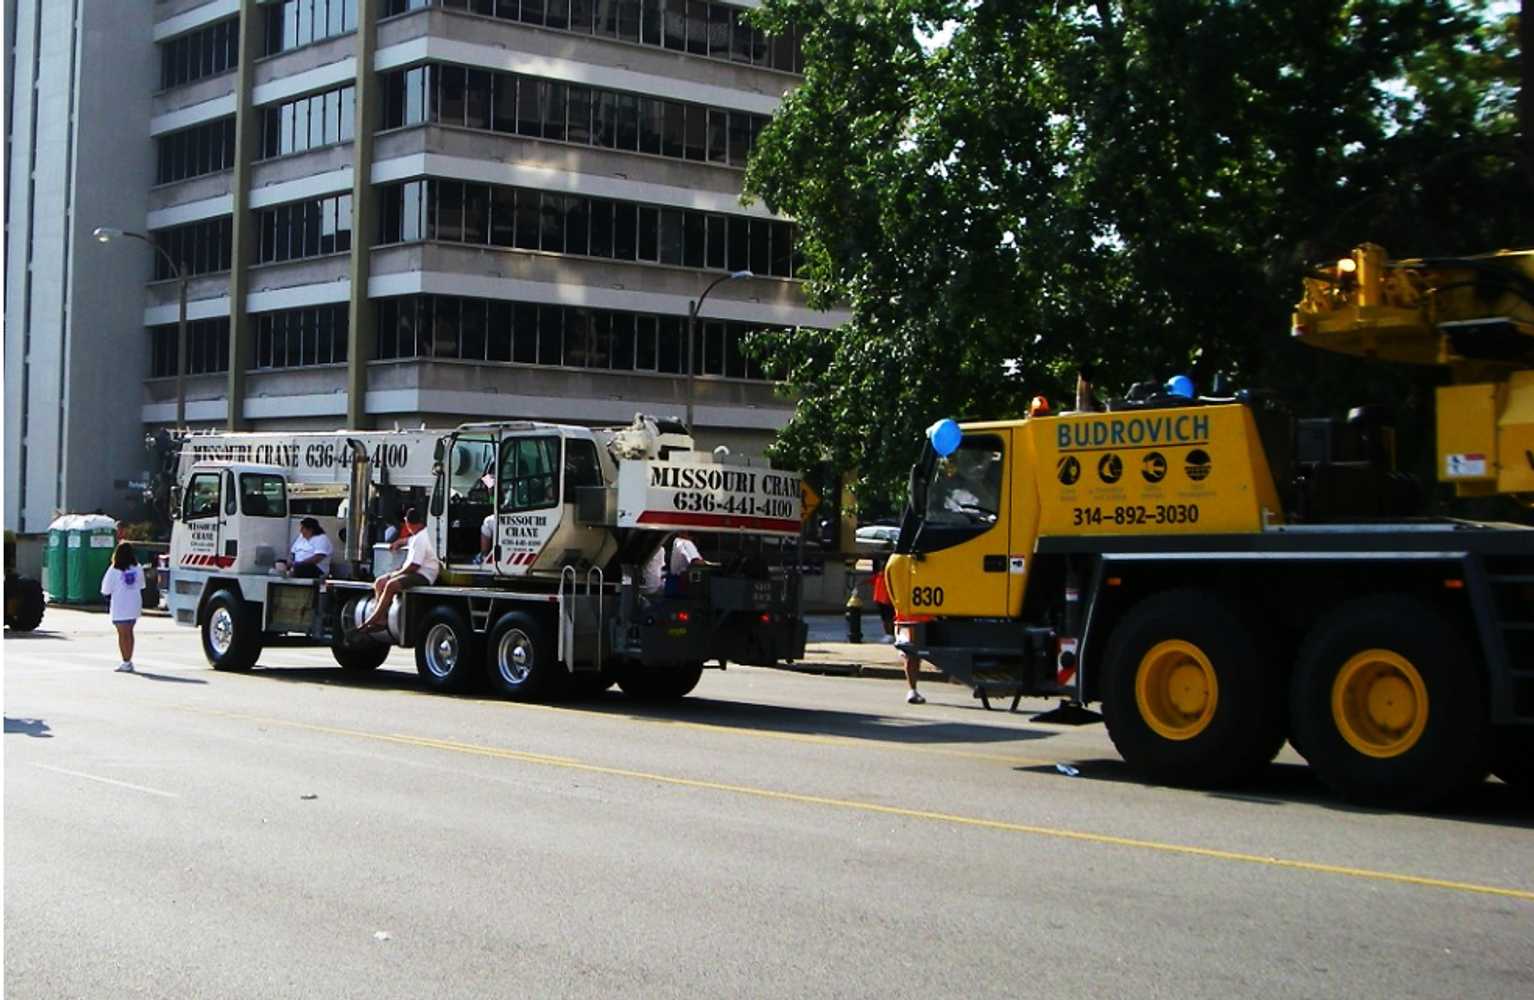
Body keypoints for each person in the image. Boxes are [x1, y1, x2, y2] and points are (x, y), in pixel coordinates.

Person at [360, 508, 438, 632]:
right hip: (416, 572)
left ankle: (373, 618)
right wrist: (399, 542)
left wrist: (395, 574)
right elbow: (408, 541)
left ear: (407, 523)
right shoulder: (419, 535)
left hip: (423, 575)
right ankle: (381, 619)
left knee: (391, 584)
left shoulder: (421, 538)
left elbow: (414, 566)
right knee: (380, 582)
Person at [100, 542, 146, 673]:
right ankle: (128, 659)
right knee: (130, 633)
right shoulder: (138, 568)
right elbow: (142, 585)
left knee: (122, 635)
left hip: (120, 605)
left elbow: (106, 589)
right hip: (134, 604)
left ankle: (126, 661)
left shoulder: (114, 569)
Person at [641, 530, 706, 595]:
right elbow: (697, 562)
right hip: (678, 586)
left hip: (668, 585)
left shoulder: (662, 549)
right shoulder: (683, 542)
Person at [870, 555, 895, 642]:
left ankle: (890, 634)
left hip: (885, 600)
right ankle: (889, 634)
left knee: (888, 618)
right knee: (886, 618)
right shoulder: (880, 575)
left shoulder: (885, 576)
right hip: (881, 600)